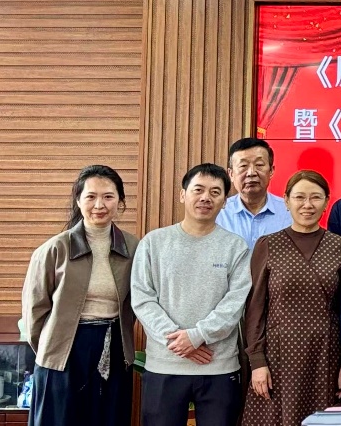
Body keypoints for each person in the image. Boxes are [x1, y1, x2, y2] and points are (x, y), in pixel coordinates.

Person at [131, 163, 252, 426]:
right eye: (198, 189)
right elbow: (142, 299)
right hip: (164, 366)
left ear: (225, 201)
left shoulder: (235, 247)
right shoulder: (154, 242)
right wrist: (178, 341)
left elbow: (235, 303)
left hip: (219, 367)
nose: (206, 197)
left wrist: (197, 336)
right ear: (182, 194)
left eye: (215, 192)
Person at [22, 165, 140, 426]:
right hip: (63, 351)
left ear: (120, 201)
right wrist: (52, 349)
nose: (99, 205)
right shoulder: (55, 249)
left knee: (108, 418)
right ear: (78, 200)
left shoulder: (134, 248)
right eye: (91, 196)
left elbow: (136, 304)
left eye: (108, 196)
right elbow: (34, 313)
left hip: (114, 346)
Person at [242, 170, 341, 426]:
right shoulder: (268, 244)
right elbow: (255, 308)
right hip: (277, 357)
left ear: (327, 201)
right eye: (300, 197)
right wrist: (257, 361)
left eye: (316, 197)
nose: (307, 205)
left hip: (326, 355)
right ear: (286, 200)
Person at [217, 138, 291, 247]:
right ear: (231, 174)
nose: (251, 173)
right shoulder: (219, 213)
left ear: (271, 170)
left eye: (259, 165)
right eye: (243, 166)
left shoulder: (289, 212)